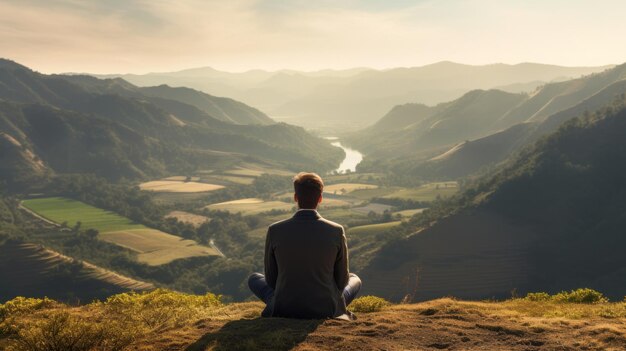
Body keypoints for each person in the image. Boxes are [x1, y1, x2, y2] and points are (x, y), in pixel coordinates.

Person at [248, 172, 362, 320]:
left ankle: (279, 302)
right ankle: (336, 306)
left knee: (254, 278)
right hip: (325, 307)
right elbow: (341, 281)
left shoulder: (275, 230)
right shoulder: (336, 230)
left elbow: (271, 280)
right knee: (354, 279)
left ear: (296, 197)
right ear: (320, 198)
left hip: (285, 306)